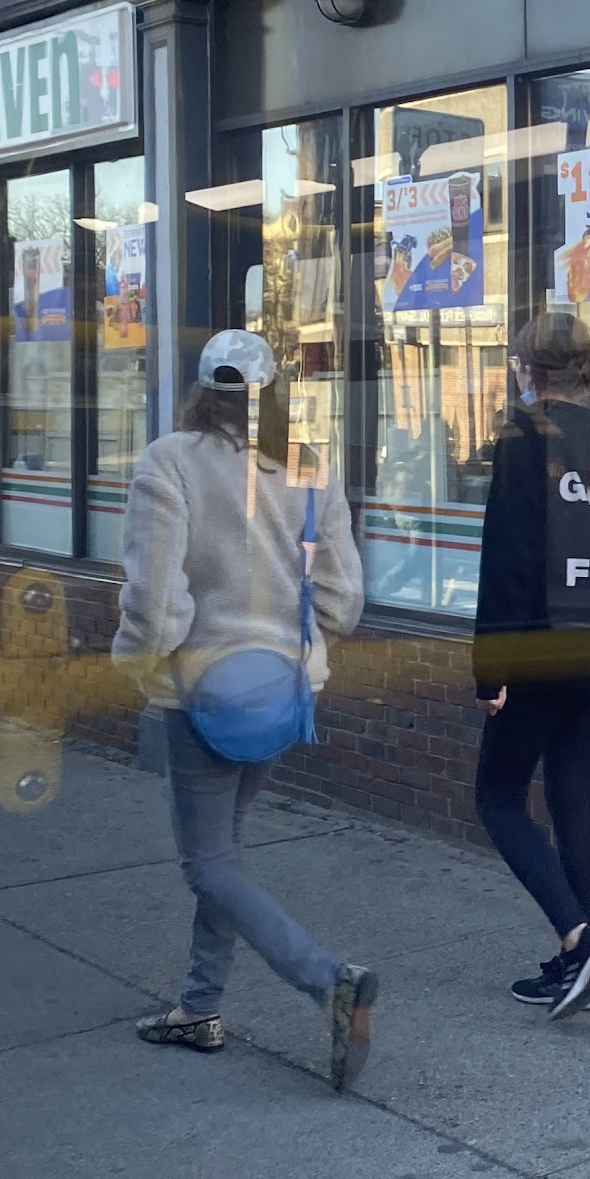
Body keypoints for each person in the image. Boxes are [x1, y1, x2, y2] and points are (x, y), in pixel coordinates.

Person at [112, 330, 379, 1090]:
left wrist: (138, 665)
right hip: (282, 693)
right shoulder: (307, 464)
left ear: (202, 390)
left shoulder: (171, 461)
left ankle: (327, 980)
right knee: (223, 856)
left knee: (206, 864)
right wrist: (295, 646)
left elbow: (155, 599)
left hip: (202, 691)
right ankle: (199, 1007)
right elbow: (343, 598)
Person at [473, 312, 590, 1018]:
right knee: (572, 796)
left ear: (530, 369)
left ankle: (580, 942)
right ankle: (584, 972)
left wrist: (490, 670)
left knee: (498, 797)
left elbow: (508, 563)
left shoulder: (524, 439)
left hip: (541, 653)